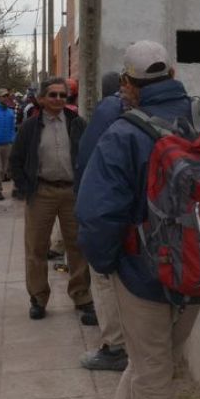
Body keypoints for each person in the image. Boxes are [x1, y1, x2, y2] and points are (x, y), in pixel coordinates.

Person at [79, 41, 200, 399]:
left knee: (151, 372)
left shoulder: (123, 132)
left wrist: (107, 264)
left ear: (128, 83)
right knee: (156, 363)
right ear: (174, 71)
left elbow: (97, 212)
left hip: (143, 273)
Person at [9, 77, 94, 324]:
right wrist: (25, 188)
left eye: (62, 95)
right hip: (42, 193)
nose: (58, 99)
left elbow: (89, 154)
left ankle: (81, 296)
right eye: (53, 95)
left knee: (78, 246)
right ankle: (38, 298)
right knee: (36, 248)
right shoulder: (30, 127)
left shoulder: (77, 124)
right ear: (42, 98)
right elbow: (16, 160)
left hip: (72, 193)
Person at [73, 70, 128, 372]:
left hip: (107, 206)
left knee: (103, 276)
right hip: (138, 210)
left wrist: (82, 206)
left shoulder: (108, 110)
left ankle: (114, 347)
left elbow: (88, 160)